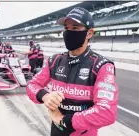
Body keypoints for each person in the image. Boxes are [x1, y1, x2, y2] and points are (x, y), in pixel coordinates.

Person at [26, 7, 118, 136]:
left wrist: (65, 121)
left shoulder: (101, 65)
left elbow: (107, 112)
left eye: (75, 28)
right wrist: (45, 96)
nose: (69, 32)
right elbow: (31, 85)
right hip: (56, 131)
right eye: (66, 28)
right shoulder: (55, 60)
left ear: (89, 33)